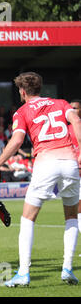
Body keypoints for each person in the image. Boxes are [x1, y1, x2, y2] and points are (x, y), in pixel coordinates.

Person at [0, 72, 81, 286]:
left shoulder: (22, 111)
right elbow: (75, 119)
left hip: (46, 162)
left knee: (28, 218)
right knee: (72, 216)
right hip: (69, 161)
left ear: (22, 91)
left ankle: (23, 273)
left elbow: (17, 140)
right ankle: (67, 268)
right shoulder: (61, 103)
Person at [68, 99, 81, 256]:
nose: (72, 110)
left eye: (75, 108)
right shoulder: (66, 128)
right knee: (76, 208)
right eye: (70, 108)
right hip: (73, 171)